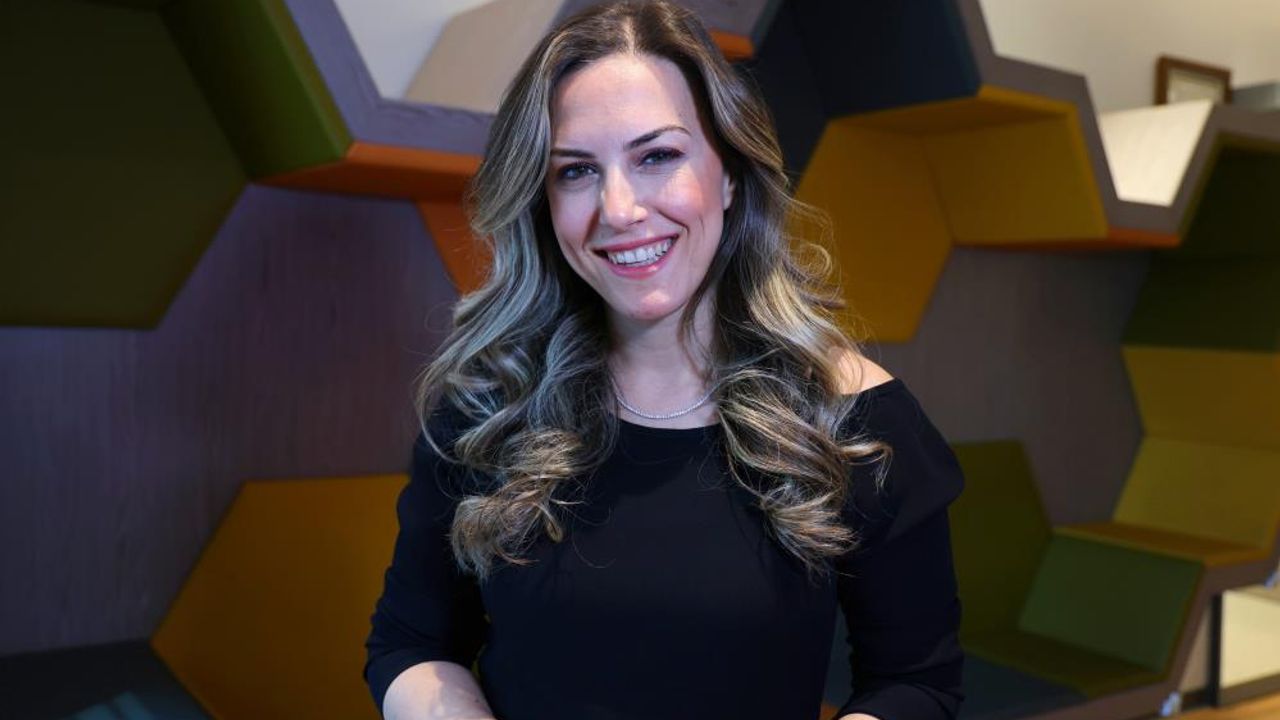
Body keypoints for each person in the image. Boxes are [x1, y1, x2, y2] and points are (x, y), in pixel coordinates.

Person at [363, 2, 966, 719]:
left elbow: (916, 682)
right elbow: (410, 642)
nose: (619, 209)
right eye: (576, 171)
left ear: (729, 173)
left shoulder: (854, 421)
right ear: (543, 203)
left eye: (657, 156)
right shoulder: (490, 405)